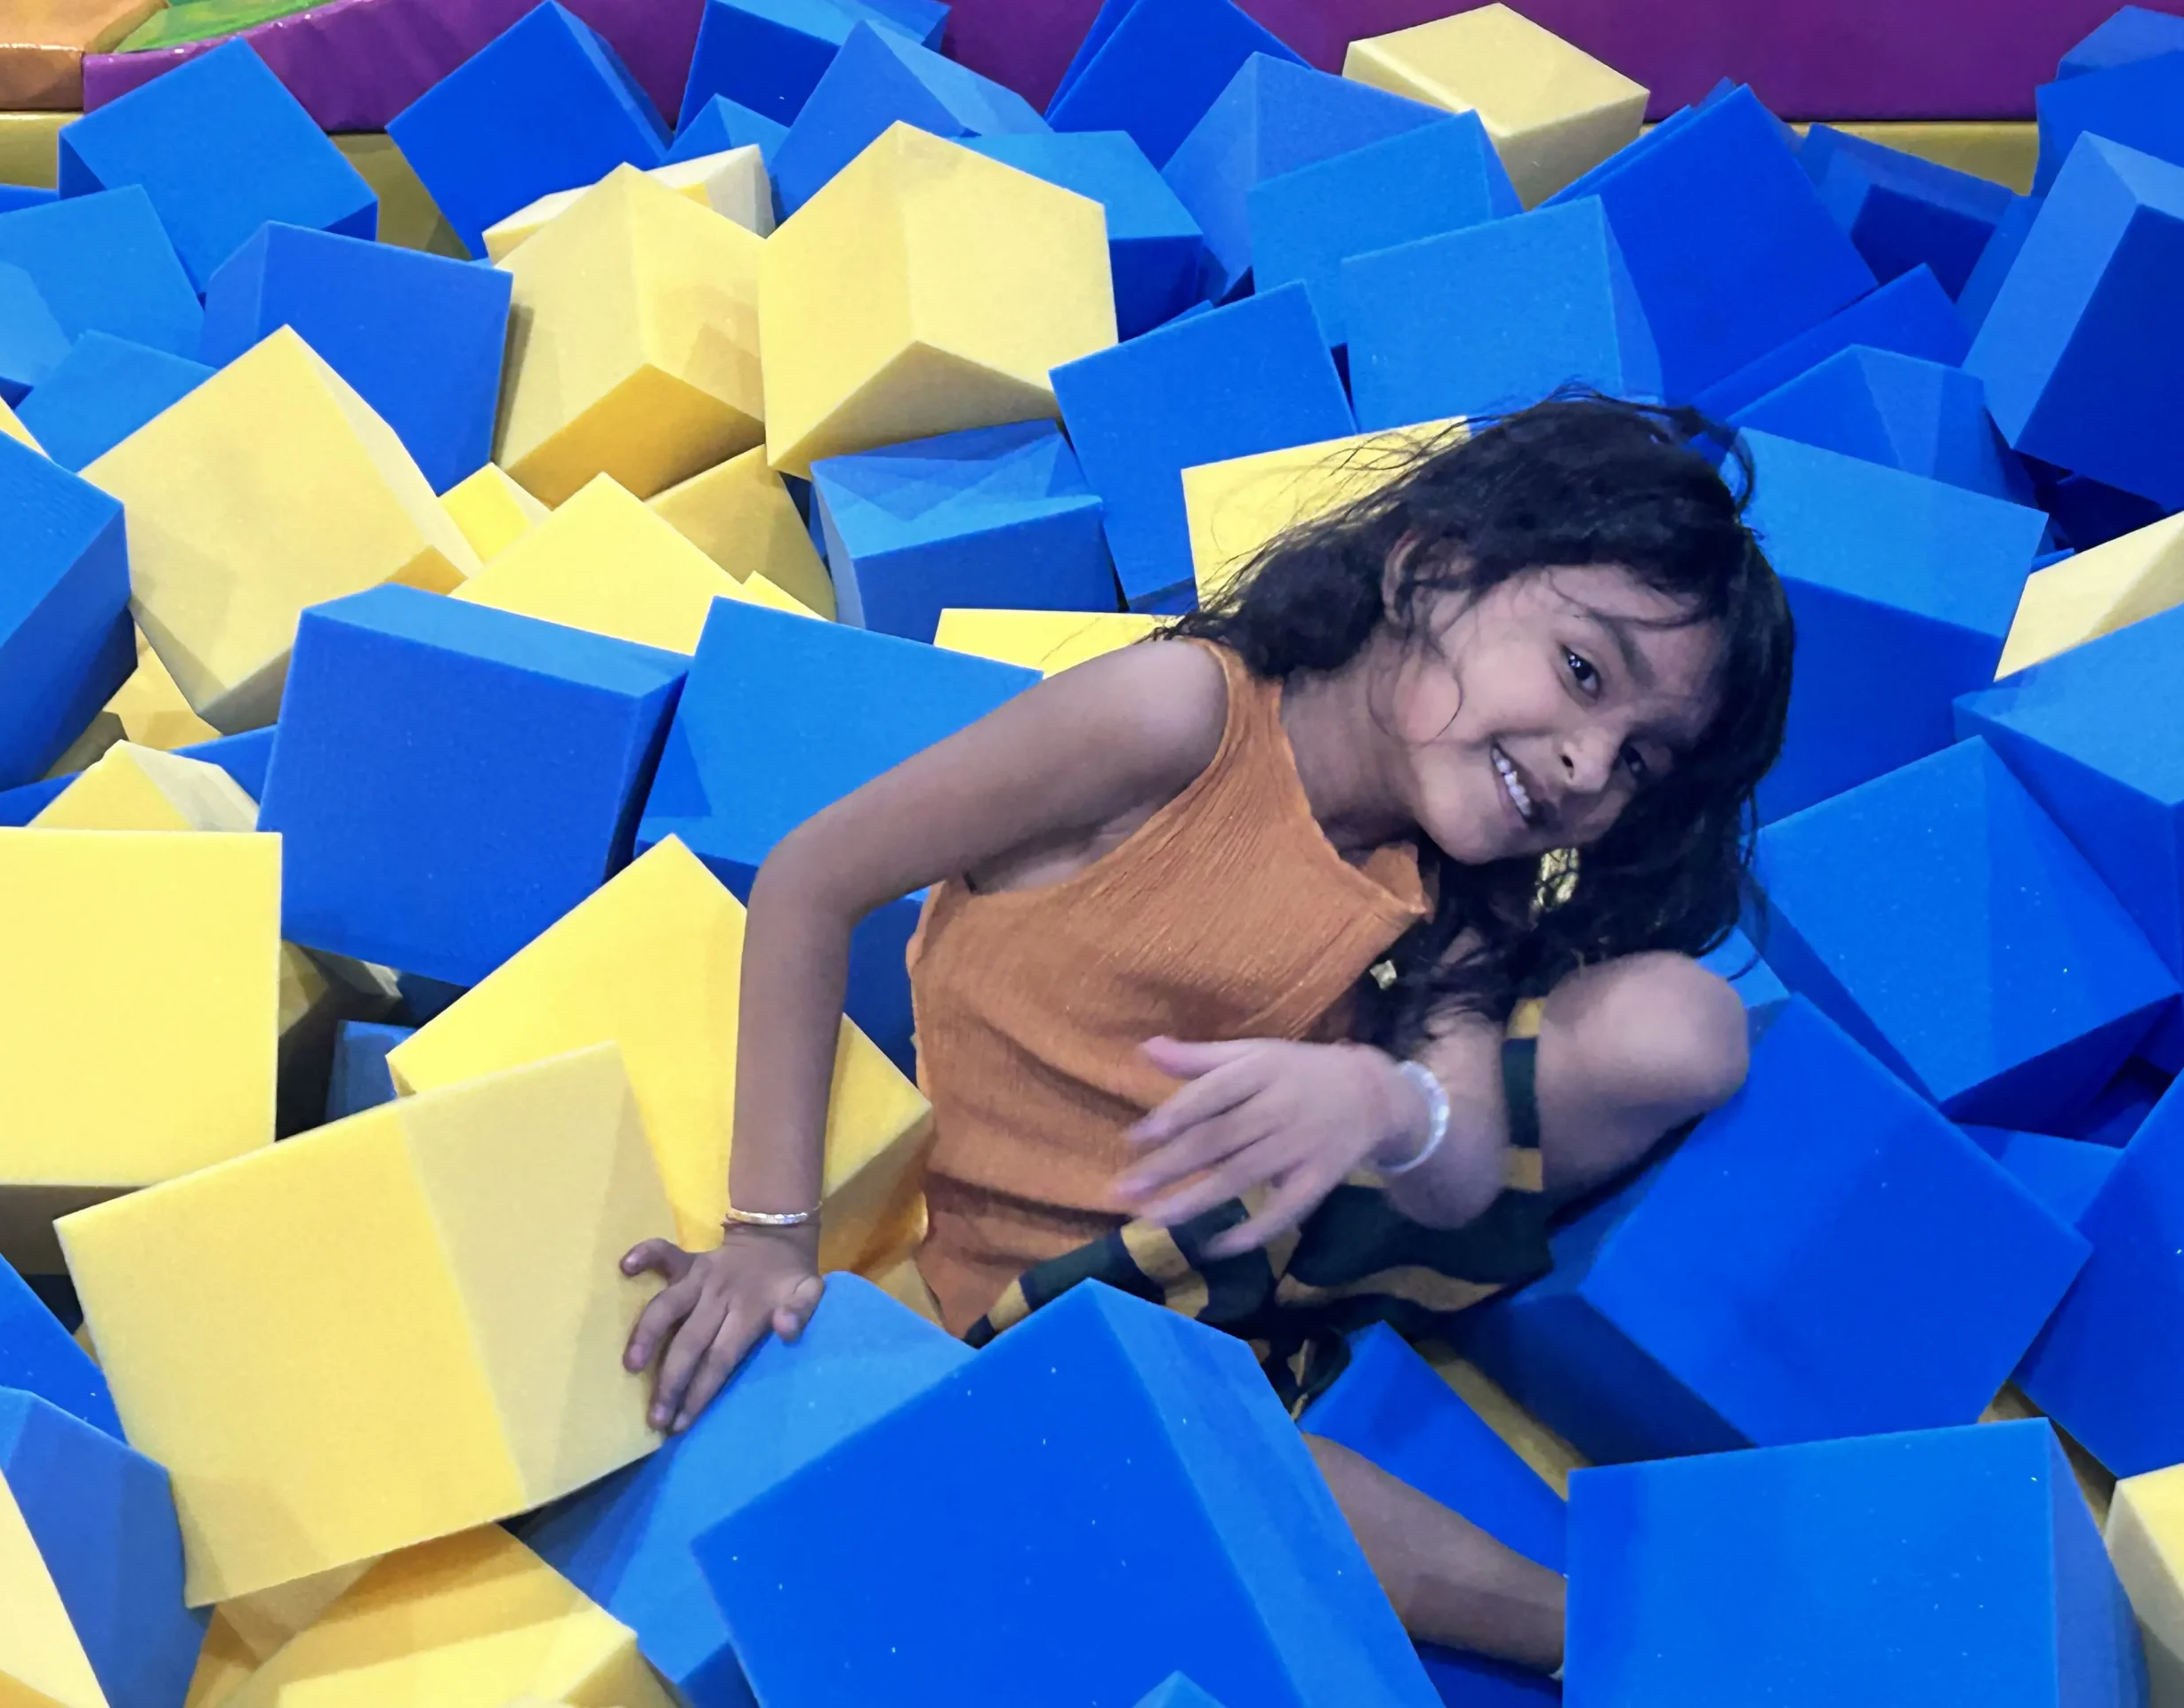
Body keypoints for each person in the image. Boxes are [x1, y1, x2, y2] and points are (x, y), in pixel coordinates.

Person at [619, 393, 1794, 1674]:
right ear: (1430, 567)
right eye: (1582, 674)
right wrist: (768, 1237)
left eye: (1637, 762)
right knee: (1209, 1464)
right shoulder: (1175, 718)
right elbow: (808, 879)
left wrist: (1389, 1103)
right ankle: (1603, 1637)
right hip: (1051, 1284)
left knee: (1686, 1028)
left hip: (1271, 1206)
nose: (1585, 766)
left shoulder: (1457, 876)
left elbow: (1452, 1172)